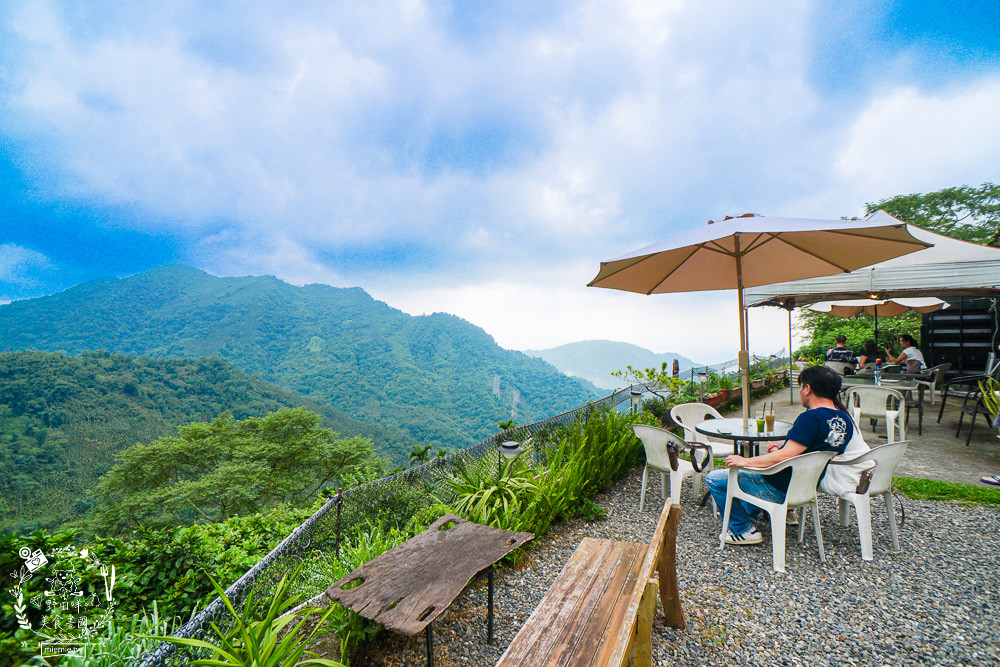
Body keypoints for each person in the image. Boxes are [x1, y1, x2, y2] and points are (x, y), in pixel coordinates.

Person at [705, 366, 869, 545]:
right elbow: (805, 452)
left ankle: (743, 530)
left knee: (715, 479)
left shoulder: (811, 418)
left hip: (778, 487)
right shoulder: (845, 420)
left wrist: (745, 460)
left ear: (807, 388)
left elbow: (785, 457)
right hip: (807, 487)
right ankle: (749, 513)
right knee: (748, 480)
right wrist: (780, 450)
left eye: (801, 387)